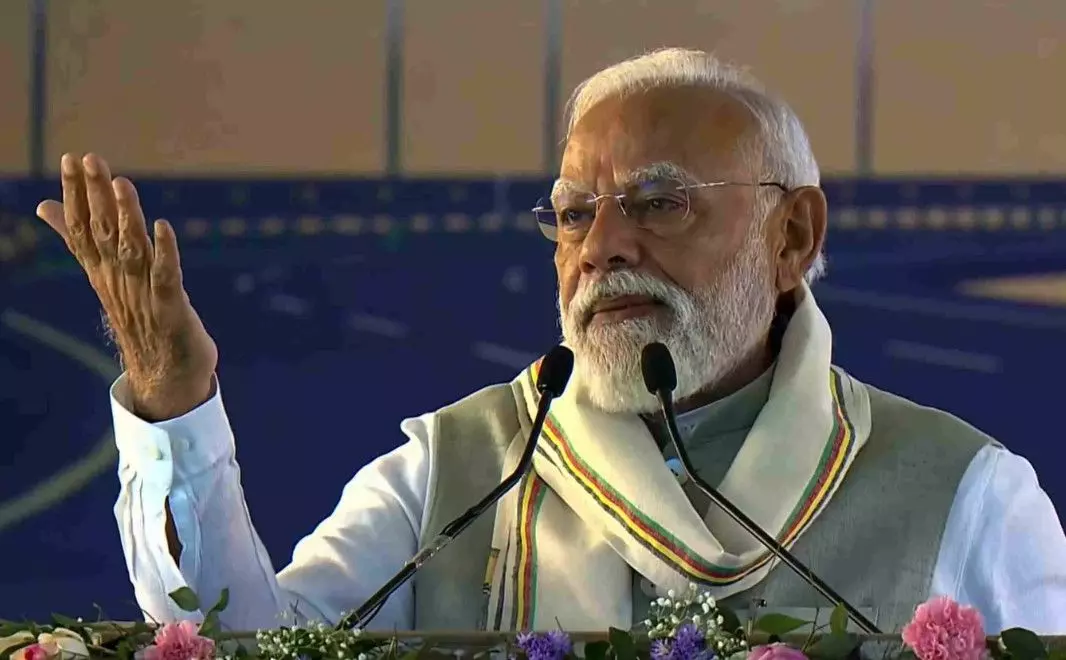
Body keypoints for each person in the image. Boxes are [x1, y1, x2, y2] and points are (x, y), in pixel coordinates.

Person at [36, 48, 1066, 635]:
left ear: (791, 235)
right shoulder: (456, 472)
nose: (602, 247)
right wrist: (171, 401)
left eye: (658, 203)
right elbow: (243, 648)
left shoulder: (965, 496)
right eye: (574, 214)